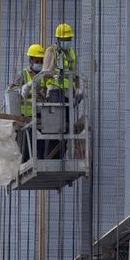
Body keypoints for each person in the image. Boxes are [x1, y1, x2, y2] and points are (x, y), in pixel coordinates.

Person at [42, 23, 81, 159]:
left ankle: (60, 157)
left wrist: (78, 90)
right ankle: (50, 158)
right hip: (55, 93)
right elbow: (45, 73)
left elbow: (76, 74)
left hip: (68, 94)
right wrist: (55, 75)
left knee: (66, 128)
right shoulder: (51, 51)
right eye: (65, 39)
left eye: (69, 39)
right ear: (58, 39)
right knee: (54, 128)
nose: (67, 42)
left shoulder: (71, 54)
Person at [7, 44, 47, 162]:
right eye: (37, 61)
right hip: (26, 116)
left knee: (42, 143)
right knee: (26, 143)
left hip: (42, 114)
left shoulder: (46, 75)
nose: (39, 63)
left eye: (41, 61)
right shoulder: (23, 74)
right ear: (30, 61)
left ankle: (40, 162)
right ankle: (24, 163)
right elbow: (13, 93)